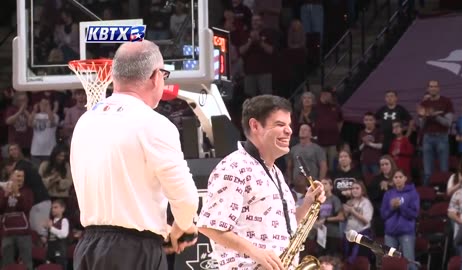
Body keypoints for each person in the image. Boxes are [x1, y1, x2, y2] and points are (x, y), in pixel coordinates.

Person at [70, 40, 199, 270]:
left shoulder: (85, 120)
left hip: (88, 248)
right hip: (134, 252)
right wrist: (182, 226)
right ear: (155, 76)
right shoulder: (154, 124)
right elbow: (186, 199)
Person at [197, 95, 326, 270]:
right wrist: (256, 252)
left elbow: (282, 227)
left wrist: (307, 204)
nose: (289, 131)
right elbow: (209, 226)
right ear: (255, 125)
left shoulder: (275, 172)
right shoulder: (234, 167)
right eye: (280, 125)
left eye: (289, 125)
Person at [45, 199, 69, 269]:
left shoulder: (64, 220)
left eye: (55, 207)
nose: (53, 209)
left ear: (62, 209)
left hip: (60, 251)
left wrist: (51, 228)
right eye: (52, 208)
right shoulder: (50, 221)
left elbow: (63, 234)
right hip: (50, 251)